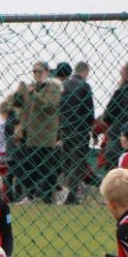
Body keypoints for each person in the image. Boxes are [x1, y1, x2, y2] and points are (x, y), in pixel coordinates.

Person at [14, 61, 62, 205]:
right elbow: (21, 106)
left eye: (39, 71)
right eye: (34, 71)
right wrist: (19, 93)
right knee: (27, 167)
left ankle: (53, 194)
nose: (36, 74)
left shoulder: (53, 87)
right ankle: (29, 196)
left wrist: (33, 94)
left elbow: (49, 106)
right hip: (31, 135)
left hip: (46, 136)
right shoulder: (32, 87)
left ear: (47, 72)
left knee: (47, 169)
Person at [56, 61, 95, 205]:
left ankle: (68, 194)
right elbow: (89, 111)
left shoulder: (64, 85)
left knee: (67, 162)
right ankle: (69, 194)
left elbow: (58, 108)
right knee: (78, 163)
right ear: (85, 71)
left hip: (65, 129)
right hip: (80, 129)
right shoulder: (84, 86)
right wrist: (91, 129)